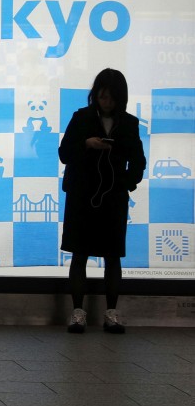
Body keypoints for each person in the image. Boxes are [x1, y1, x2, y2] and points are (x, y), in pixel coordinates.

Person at [59, 68, 146, 334]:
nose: (106, 102)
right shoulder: (81, 118)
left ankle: (112, 312)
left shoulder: (129, 123)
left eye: (111, 98)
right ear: (95, 95)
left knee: (113, 255)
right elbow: (64, 154)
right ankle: (77, 312)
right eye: (102, 97)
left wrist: (126, 184)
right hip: (82, 195)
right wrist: (87, 144)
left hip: (113, 198)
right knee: (79, 253)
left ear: (121, 98)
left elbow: (139, 161)